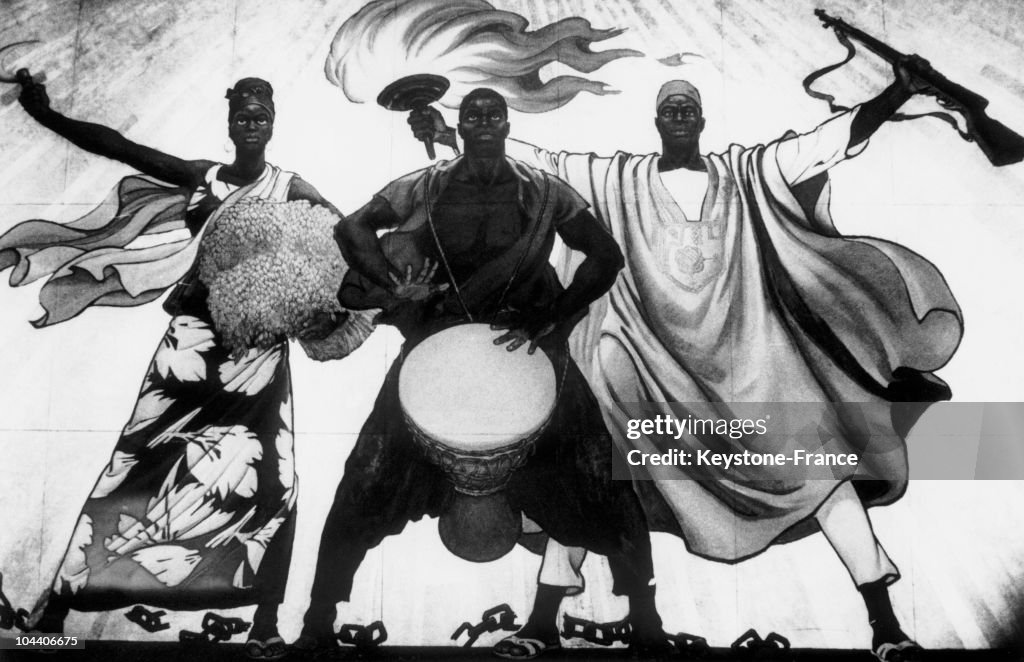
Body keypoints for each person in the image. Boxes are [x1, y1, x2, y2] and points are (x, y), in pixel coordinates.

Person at [411, 57, 963, 662]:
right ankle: (543, 623)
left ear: (700, 120)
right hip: (647, 360)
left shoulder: (748, 173)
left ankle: (887, 629)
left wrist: (897, 93)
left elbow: (824, 145)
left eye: (688, 108)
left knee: (819, 464)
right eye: (669, 109)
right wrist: (449, 135)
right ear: (656, 121)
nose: (678, 115)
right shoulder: (617, 180)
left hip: (746, 359)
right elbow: (542, 163)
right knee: (595, 475)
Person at [294, 87, 670, 658]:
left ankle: (647, 624)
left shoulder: (544, 191)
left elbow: (606, 256)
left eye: (495, 114)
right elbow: (351, 230)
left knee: (602, 478)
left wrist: (557, 314)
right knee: (367, 475)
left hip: (529, 350)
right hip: (438, 348)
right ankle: (319, 621)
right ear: (462, 125)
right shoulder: (425, 187)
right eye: (475, 115)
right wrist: (398, 288)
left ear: (508, 123)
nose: (486, 122)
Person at [1, 76, 345, 660]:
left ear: (273, 121)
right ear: (231, 121)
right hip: (191, 343)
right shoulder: (201, 176)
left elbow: (349, 239)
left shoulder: (293, 188)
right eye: (242, 112)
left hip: (257, 352)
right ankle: (52, 615)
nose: (251, 120)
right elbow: (115, 145)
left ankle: (265, 622)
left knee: (273, 478)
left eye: (261, 112)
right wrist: (46, 113)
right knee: (135, 466)